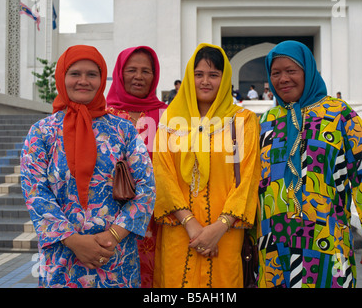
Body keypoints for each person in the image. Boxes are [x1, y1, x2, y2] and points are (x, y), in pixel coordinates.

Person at [257, 40, 362, 288]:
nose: (283, 79)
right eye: (275, 73)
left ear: (307, 72)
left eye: (291, 71)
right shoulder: (267, 121)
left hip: (327, 242)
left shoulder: (340, 114)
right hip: (275, 246)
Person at [20, 45, 156, 288]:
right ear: (62, 77)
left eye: (92, 74)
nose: (83, 81)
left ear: (102, 79)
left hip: (116, 258)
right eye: (75, 74)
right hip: (62, 258)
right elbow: (34, 191)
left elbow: (146, 188)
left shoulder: (123, 130)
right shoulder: (42, 132)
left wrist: (112, 236)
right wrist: (74, 241)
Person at [153, 43, 261, 288]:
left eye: (213, 75)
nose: (205, 81)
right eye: (198, 74)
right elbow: (163, 173)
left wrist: (219, 228)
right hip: (179, 231)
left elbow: (248, 177)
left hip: (226, 234)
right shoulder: (171, 120)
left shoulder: (243, 121)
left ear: (225, 80)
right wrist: (190, 224)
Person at [106, 46, 167, 288]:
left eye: (146, 71)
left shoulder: (168, 116)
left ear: (155, 76)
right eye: (131, 70)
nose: (138, 77)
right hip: (112, 218)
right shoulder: (101, 116)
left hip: (159, 216)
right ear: (120, 74)